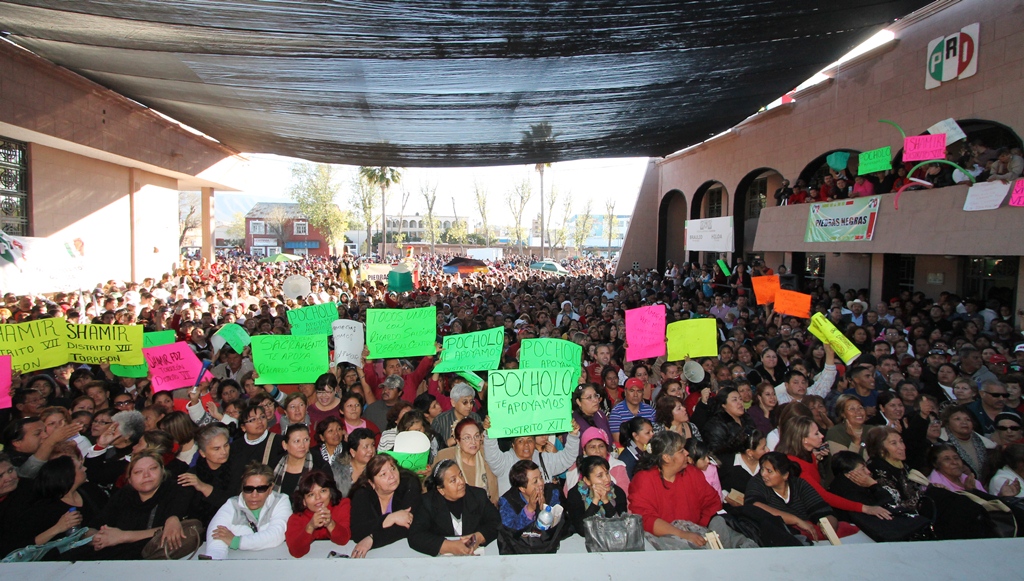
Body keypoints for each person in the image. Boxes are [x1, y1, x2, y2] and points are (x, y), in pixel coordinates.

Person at [628, 430, 756, 549]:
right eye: (681, 451)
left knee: (730, 532)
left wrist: (698, 528)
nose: (687, 453)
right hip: (663, 541)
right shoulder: (644, 479)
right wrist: (683, 535)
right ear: (666, 457)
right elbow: (645, 519)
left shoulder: (692, 473)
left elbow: (712, 502)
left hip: (698, 533)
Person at [777, 416, 891, 519]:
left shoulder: (810, 455)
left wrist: (817, 460)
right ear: (804, 440)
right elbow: (823, 496)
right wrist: (865, 508)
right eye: (816, 434)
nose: (822, 436)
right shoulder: (796, 465)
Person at [87, 452, 191, 560]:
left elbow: (173, 529)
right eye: (138, 472)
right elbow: (92, 527)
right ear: (129, 479)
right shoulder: (123, 495)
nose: (146, 475)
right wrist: (97, 538)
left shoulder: (178, 490)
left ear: (162, 470)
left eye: (153, 468)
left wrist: (123, 536)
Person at [409, 459, 501, 556]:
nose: (461, 482)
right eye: (453, 480)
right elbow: (416, 536)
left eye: (460, 475)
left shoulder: (478, 496)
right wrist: (450, 546)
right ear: (441, 490)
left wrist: (478, 538)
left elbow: (496, 522)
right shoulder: (427, 502)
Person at [205, 462, 292, 559]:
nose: (254, 495)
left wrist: (236, 541)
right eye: (248, 489)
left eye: (261, 489)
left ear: (270, 488)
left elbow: (276, 535)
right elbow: (216, 543)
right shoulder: (231, 505)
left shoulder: (281, 501)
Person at [744, 452, 835, 543]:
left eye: (769, 471)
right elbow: (755, 507)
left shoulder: (799, 485)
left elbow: (822, 511)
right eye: (762, 469)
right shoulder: (757, 482)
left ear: (785, 475)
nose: (763, 474)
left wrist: (827, 528)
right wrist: (796, 520)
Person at [349, 454, 421, 557]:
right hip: (373, 556)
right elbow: (358, 531)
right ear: (371, 483)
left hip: (404, 551)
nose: (392, 476)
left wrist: (372, 539)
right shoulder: (362, 493)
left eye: (393, 469)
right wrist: (390, 518)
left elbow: (406, 526)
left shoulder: (408, 485)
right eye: (383, 474)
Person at [483, 418, 580, 496]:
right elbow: (492, 456)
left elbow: (567, 458)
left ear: (534, 443)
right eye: (520, 441)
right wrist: (489, 433)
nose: (526, 445)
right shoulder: (504, 462)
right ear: (513, 444)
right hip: (514, 517)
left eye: (529, 440)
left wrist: (573, 435)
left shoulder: (545, 459)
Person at [284, 470, 352, 557]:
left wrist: (330, 523)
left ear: (330, 493)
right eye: (311, 494)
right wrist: (310, 527)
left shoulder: (342, 505)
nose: (318, 497)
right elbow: (296, 552)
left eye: (323, 491)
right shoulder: (296, 518)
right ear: (304, 501)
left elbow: (343, 540)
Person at [432, 418, 498, 505]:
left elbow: (495, 495)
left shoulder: (487, 456)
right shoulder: (444, 456)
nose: (473, 442)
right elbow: (432, 488)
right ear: (458, 441)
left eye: (476, 436)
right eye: (467, 438)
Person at [179, 424, 233, 526]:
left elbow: (233, 502)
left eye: (226, 445)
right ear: (202, 453)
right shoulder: (193, 475)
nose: (224, 452)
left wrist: (202, 486)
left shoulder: (237, 467)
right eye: (216, 449)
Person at [228, 402, 285, 494]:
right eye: (253, 419)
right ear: (243, 427)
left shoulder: (279, 442)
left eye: (262, 417)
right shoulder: (235, 447)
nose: (259, 422)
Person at [563, 455, 628, 534]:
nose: (607, 479)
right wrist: (595, 501)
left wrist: (606, 501)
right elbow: (582, 530)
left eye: (607, 473)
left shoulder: (617, 492)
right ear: (587, 480)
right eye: (600, 476)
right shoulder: (575, 494)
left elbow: (620, 526)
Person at [498, 459, 560, 530]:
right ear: (522, 489)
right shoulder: (507, 501)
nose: (541, 483)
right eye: (535, 481)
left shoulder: (552, 492)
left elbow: (559, 525)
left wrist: (544, 509)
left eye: (541, 477)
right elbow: (510, 531)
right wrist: (529, 510)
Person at [701, 386, 757, 457]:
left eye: (740, 399)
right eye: (734, 400)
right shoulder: (715, 425)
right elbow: (715, 453)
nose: (740, 402)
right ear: (723, 404)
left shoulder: (747, 418)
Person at [273, 424, 324, 497]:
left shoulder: (320, 466)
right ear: (285, 445)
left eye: (306, 440)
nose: (302, 445)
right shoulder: (274, 465)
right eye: (297, 441)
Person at [430, 381, 481, 449]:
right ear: (453, 402)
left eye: (471, 402)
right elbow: (434, 449)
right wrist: (448, 443)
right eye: (465, 402)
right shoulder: (440, 421)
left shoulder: (475, 418)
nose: (469, 406)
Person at [609, 378, 655, 445]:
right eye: (632, 391)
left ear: (643, 393)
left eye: (639, 391)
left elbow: (655, 435)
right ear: (625, 392)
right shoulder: (616, 412)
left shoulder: (650, 410)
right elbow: (618, 440)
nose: (635, 395)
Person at [572, 384, 613, 449]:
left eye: (595, 396)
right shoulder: (574, 422)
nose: (595, 400)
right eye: (589, 398)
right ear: (579, 402)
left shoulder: (600, 414)